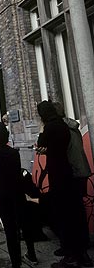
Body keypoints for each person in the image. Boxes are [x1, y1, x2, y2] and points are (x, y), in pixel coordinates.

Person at [36, 100, 89, 268]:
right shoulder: (69, 128)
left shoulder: (54, 127)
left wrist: (44, 135)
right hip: (74, 176)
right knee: (76, 215)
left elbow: (44, 141)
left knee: (67, 217)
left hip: (66, 177)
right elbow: (62, 148)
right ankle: (80, 254)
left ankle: (72, 255)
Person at [0, 122, 38, 268]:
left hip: (3, 195)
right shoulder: (14, 153)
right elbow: (16, 173)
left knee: (10, 230)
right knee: (24, 224)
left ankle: (16, 263)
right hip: (18, 193)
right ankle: (31, 254)